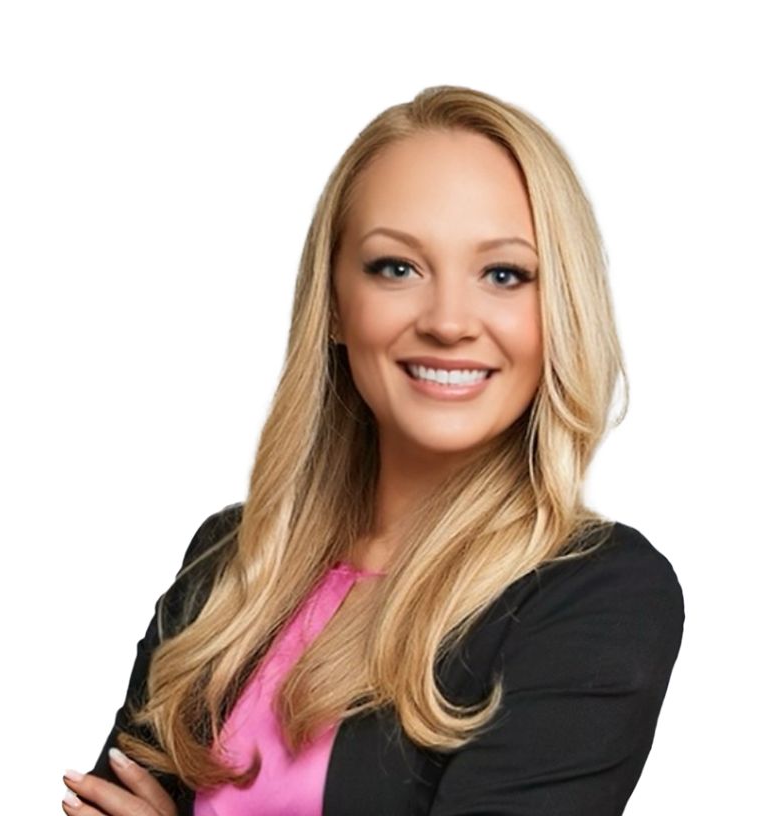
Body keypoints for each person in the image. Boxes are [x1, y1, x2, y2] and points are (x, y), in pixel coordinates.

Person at [61, 85, 685, 816]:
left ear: (561, 311)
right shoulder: (232, 561)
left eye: (504, 274)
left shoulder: (599, 594)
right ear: (333, 303)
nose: (448, 321)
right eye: (396, 267)